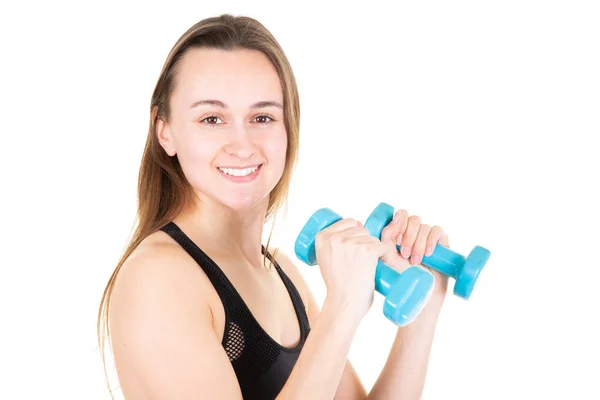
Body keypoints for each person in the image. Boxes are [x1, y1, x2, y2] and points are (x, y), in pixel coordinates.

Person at [97, 13, 451, 400]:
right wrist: (343, 308)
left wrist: (424, 306)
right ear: (164, 130)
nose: (243, 144)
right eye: (212, 118)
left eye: (262, 117)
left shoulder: (283, 273)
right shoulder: (157, 279)